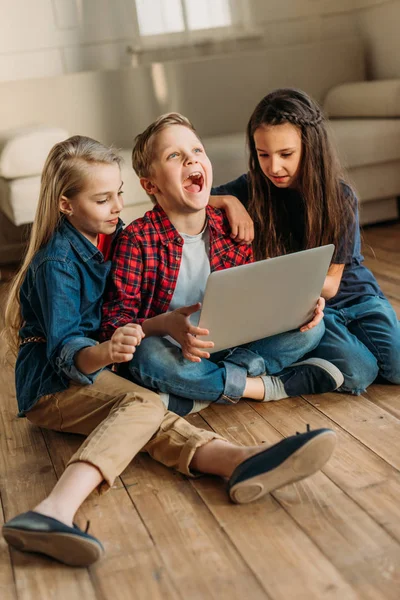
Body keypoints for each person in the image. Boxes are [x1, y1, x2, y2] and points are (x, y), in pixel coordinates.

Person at [1, 135, 338, 568]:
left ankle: (239, 461)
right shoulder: (58, 263)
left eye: (119, 194)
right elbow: (68, 354)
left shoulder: (107, 234)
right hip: (54, 386)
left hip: (100, 368)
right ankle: (52, 510)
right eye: (103, 199)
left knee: (147, 414)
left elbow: (174, 213)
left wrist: (223, 202)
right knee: (142, 406)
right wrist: (108, 351)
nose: (118, 207)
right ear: (66, 205)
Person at [100, 113, 343, 416]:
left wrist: (297, 306)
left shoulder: (231, 226)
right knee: (145, 356)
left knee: (312, 329)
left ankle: (199, 391)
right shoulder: (136, 240)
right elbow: (115, 325)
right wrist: (162, 326)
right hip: (177, 353)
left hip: (234, 347)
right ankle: (262, 387)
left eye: (197, 151)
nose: (191, 160)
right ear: (150, 185)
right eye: (174, 155)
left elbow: (255, 295)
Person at [210, 88, 400, 394]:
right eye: (263, 155)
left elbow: (331, 284)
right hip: (307, 310)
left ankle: (321, 356)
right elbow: (186, 202)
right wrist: (227, 202)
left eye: (286, 154)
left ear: (309, 147)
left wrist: (272, 280)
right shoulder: (251, 189)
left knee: (397, 368)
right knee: (359, 372)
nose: (273, 167)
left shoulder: (340, 197)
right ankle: (277, 379)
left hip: (354, 298)